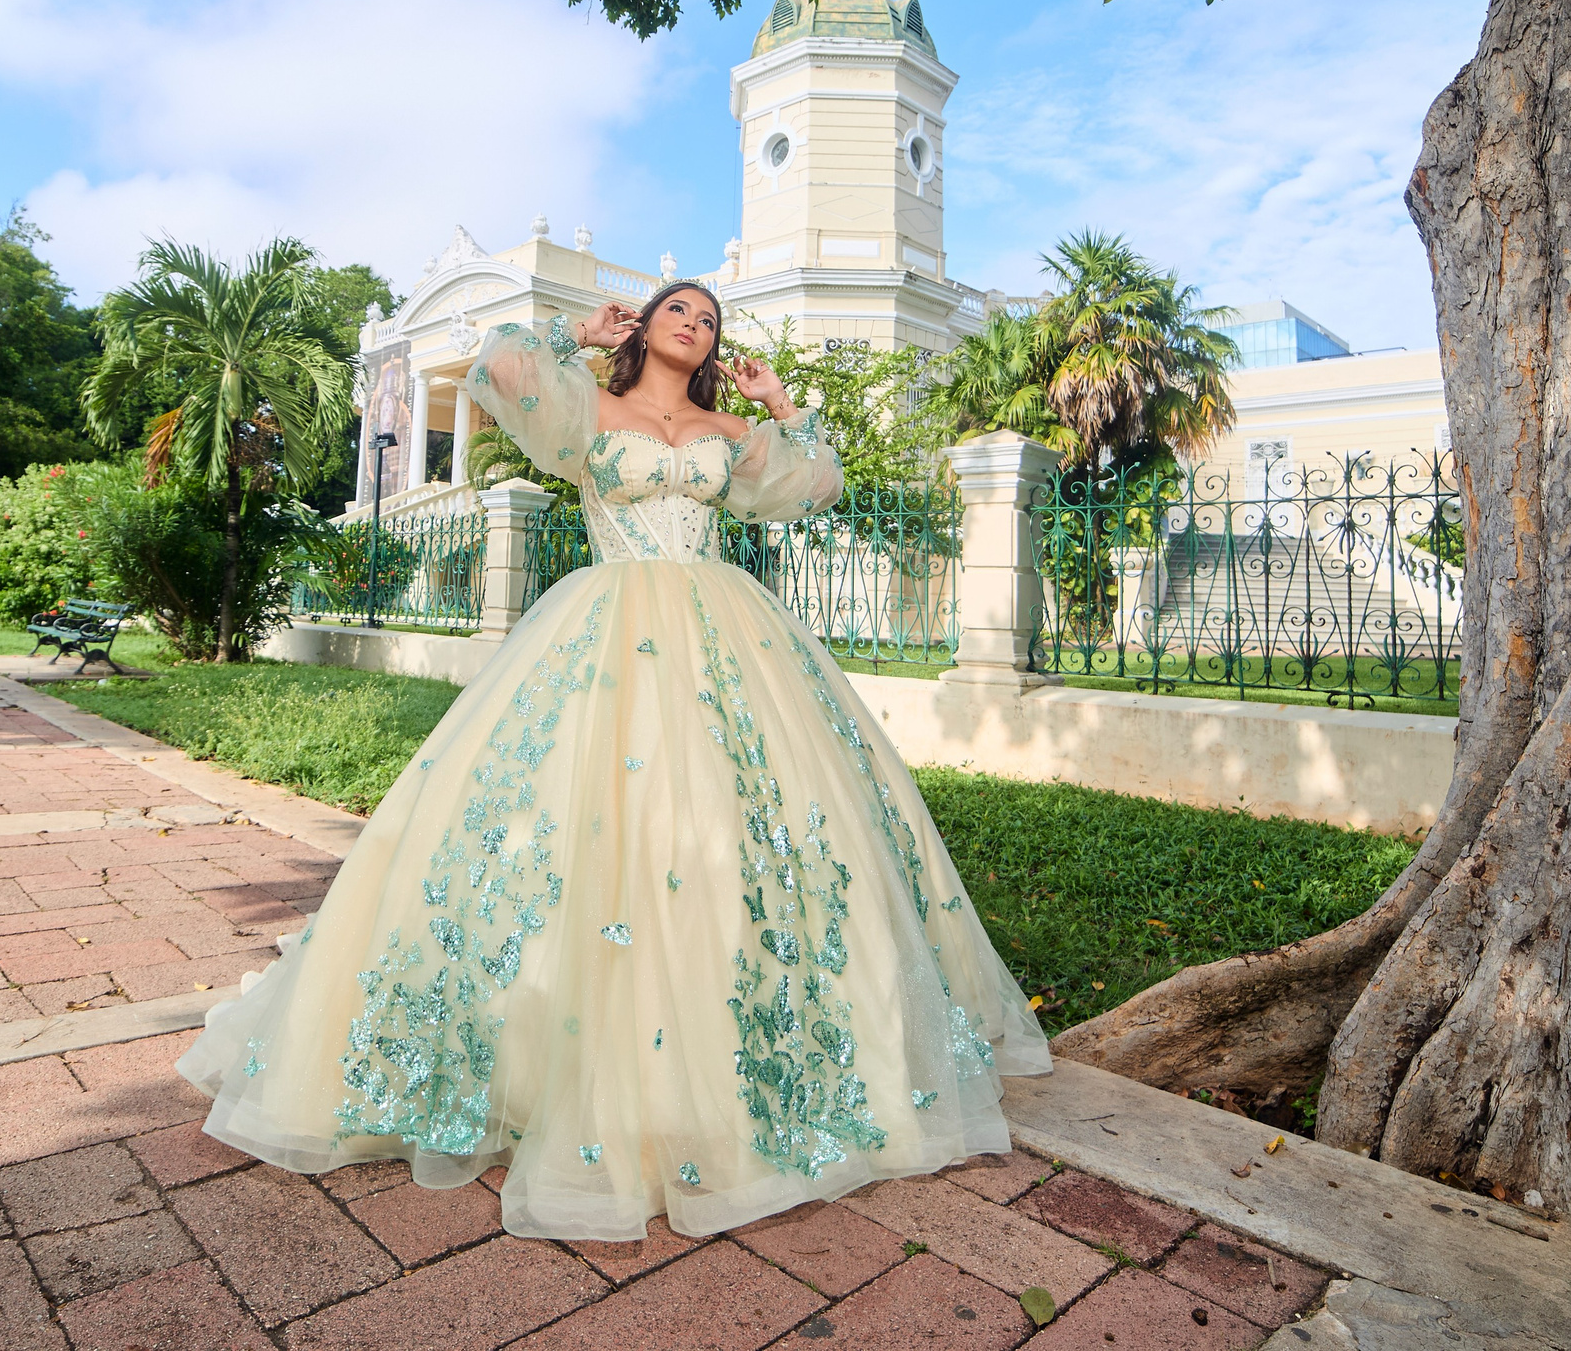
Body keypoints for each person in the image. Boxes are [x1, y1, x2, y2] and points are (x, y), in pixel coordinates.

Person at [178, 281, 1049, 1240]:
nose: (696, 323)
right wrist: (570, 332)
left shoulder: (728, 426)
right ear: (645, 326)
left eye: (710, 318)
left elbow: (815, 485)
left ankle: (751, 1068)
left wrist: (782, 406)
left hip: (727, 637)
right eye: (680, 309)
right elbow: (498, 369)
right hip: (603, 628)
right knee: (577, 822)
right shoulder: (589, 405)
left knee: (731, 826)